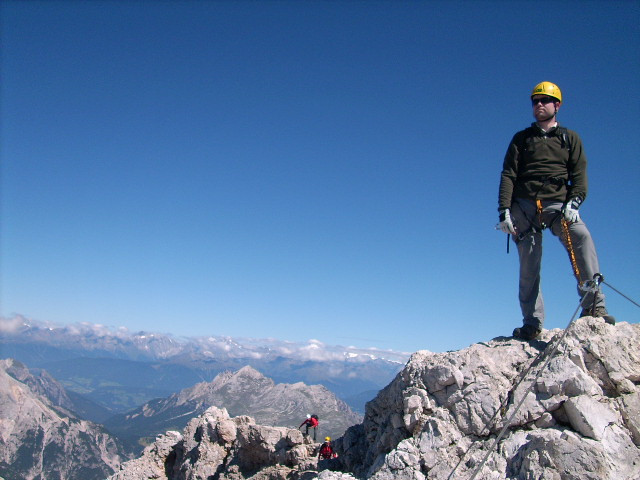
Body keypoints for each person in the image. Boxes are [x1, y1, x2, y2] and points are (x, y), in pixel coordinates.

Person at [497, 81, 615, 341]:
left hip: (557, 205)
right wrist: (504, 210)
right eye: (535, 101)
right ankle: (532, 323)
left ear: (557, 105)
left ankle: (594, 306)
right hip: (524, 206)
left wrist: (575, 201)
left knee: (581, 237)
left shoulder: (569, 138)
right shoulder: (521, 139)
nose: (539, 104)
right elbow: (509, 174)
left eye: (544, 100)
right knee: (529, 265)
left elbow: (579, 175)